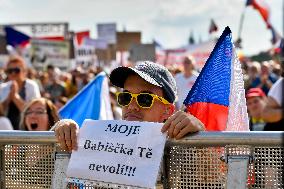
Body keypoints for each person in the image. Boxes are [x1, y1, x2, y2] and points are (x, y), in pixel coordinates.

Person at [53, 61, 205, 151]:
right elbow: (35, 173)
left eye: (145, 99)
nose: (132, 106)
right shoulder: (103, 140)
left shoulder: (179, 148)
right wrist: (60, 130)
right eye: (125, 97)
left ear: (168, 110)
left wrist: (201, 138)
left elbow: (213, 180)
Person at [0, 56, 41, 129]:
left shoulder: (32, 86)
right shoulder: (3, 87)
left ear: (24, 71)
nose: (13, 73)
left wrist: (15, 97)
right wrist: (9, 99)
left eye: (16, 70)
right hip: (6, 130)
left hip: (27, 129)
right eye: (9, 71)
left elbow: (34, 112)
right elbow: (1, 113)